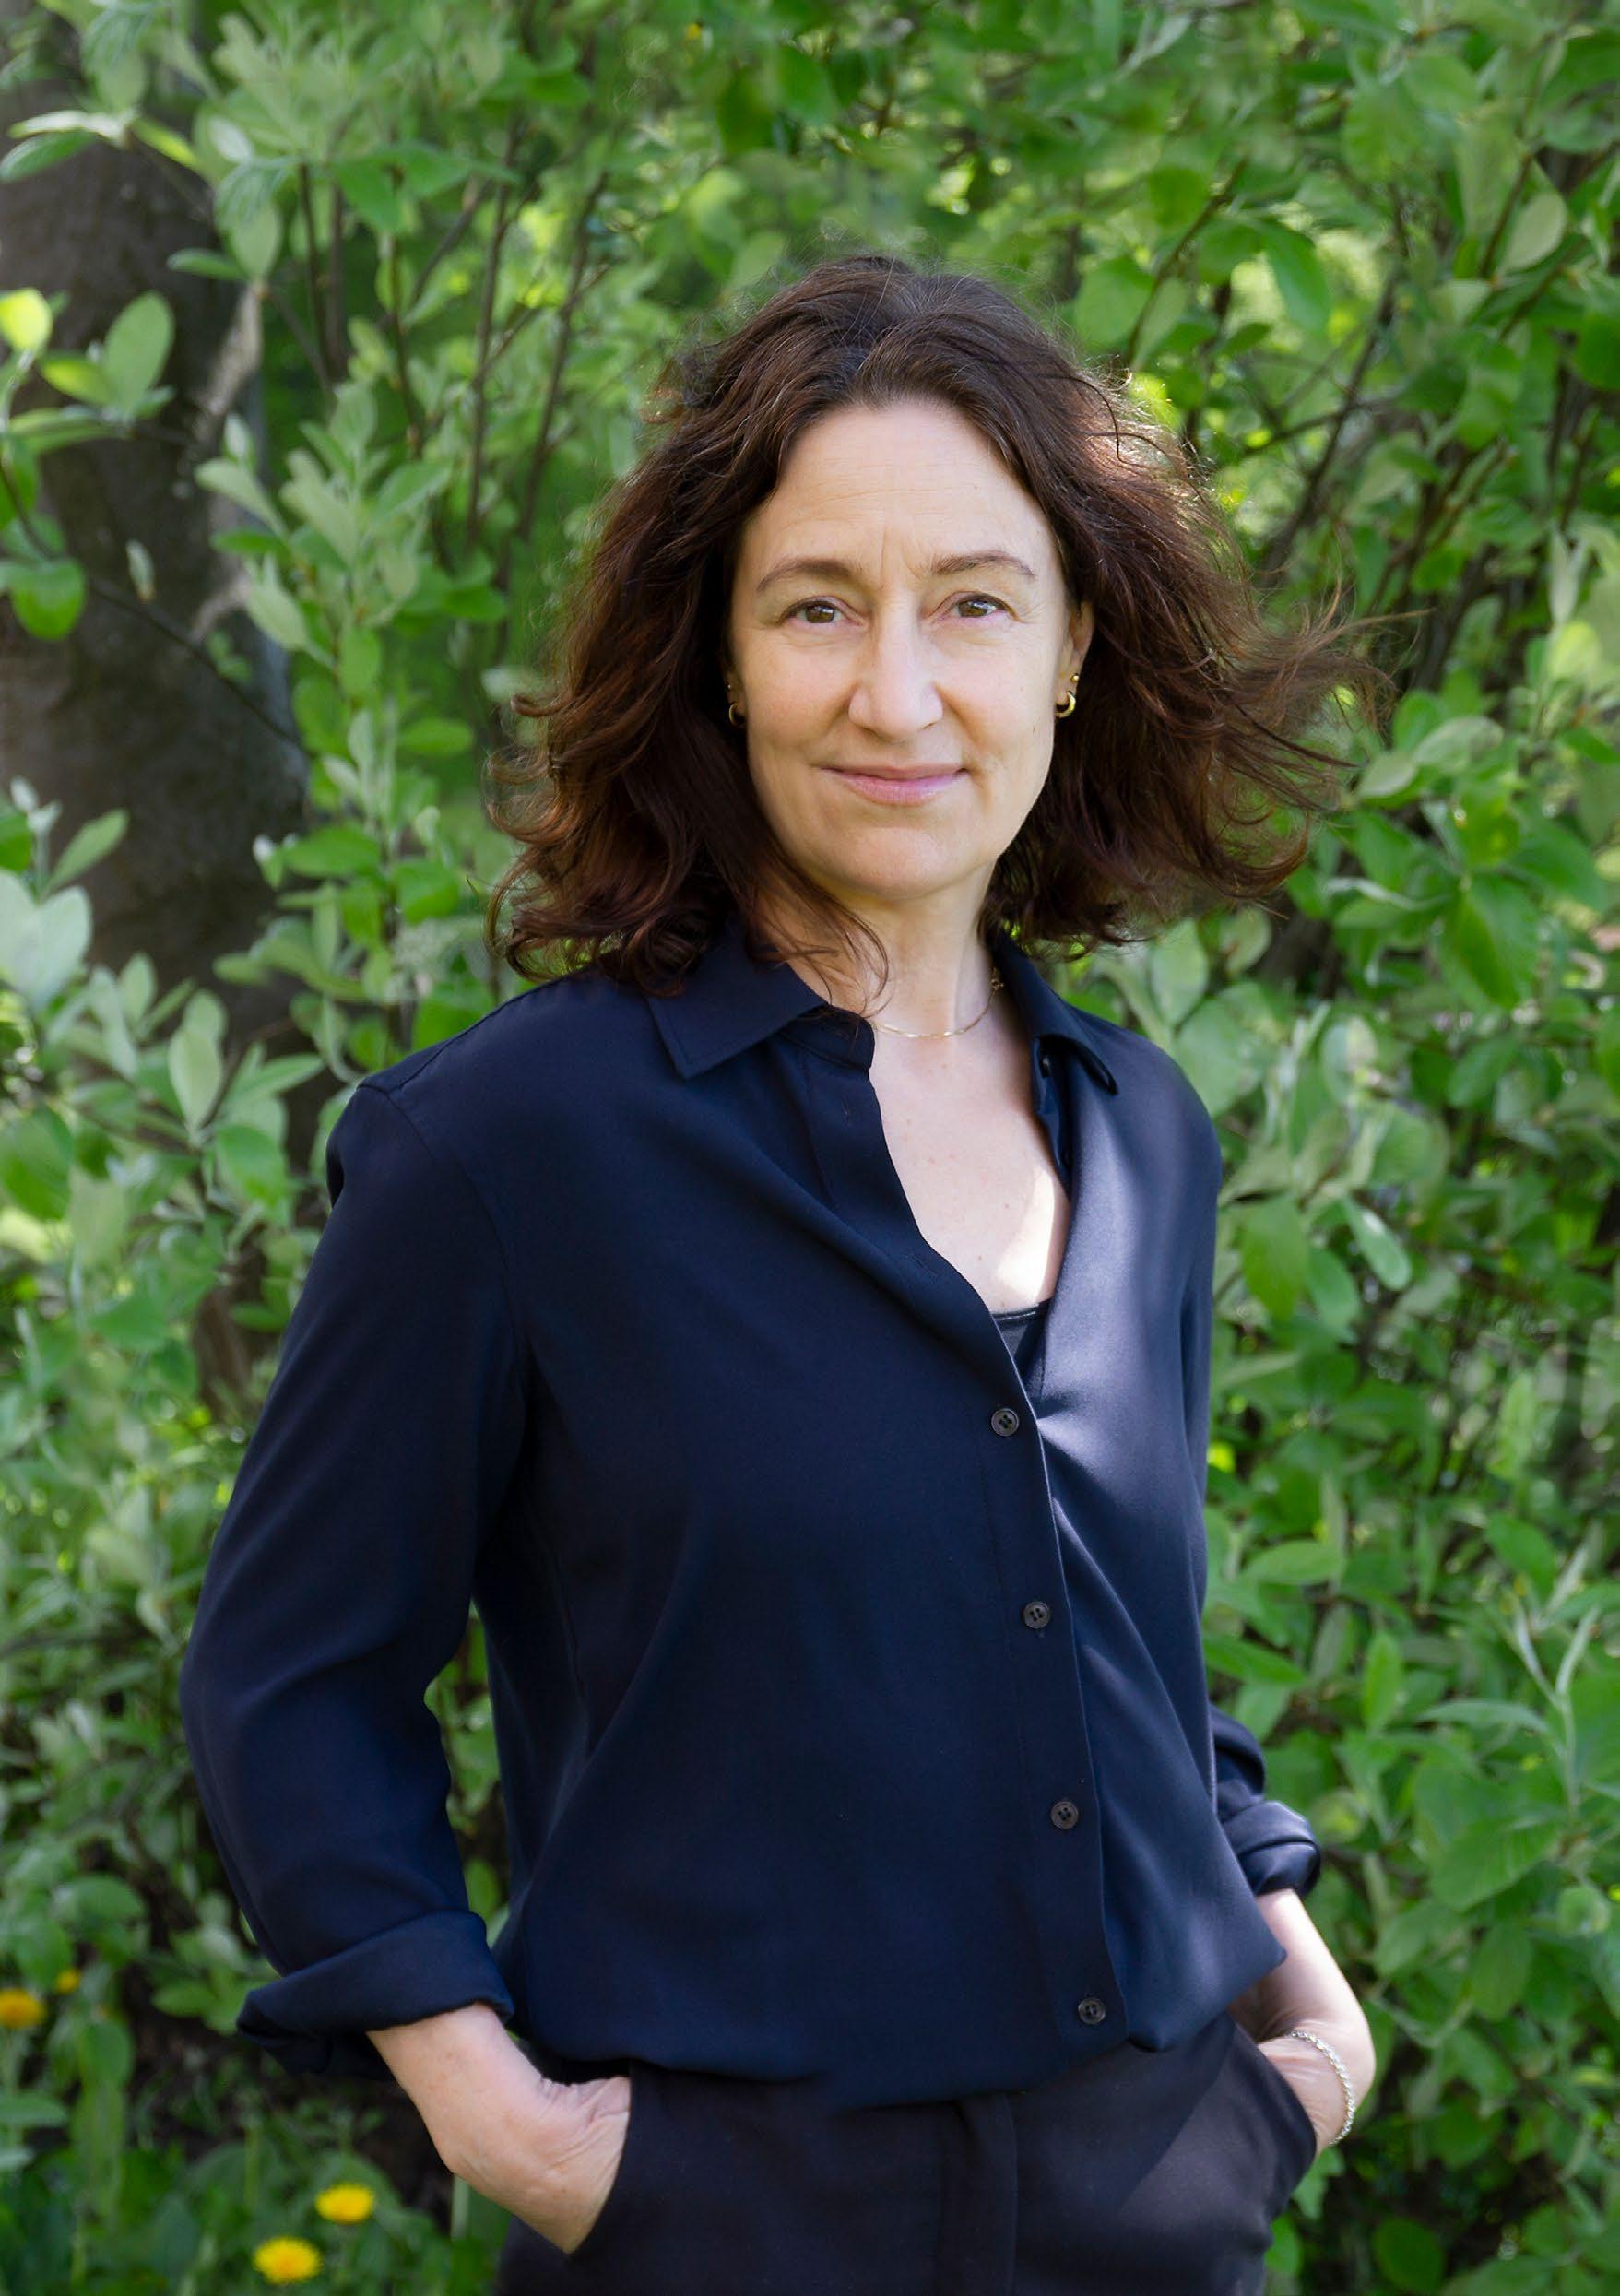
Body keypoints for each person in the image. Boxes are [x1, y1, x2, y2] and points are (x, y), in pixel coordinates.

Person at [178, 253, 1388, 2294]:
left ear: (1073, 651)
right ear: (721, 659)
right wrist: (523, 2137)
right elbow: (287, 1681)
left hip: (1164, 2202)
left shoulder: (1146, 1135)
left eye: (973, 605)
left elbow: (1124, 1651)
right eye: (817, 606)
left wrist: (1309, 2034)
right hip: (719, 2220)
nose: (895, 694)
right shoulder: (509, 1149)